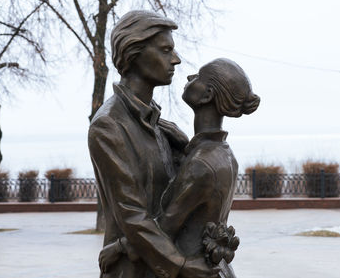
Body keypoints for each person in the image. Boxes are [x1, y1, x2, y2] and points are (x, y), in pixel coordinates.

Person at [99, 58, 260, 278]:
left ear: (207, 95)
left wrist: (117, 248)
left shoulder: (200, 164)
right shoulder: (224, 153)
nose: (189, 77)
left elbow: (164, 228)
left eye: (198, 77)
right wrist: (187, 146)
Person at [88, 10, 219, 278]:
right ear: (133, 53)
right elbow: (133, 216)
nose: (176, 59)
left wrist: (189, 148)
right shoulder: (109, 125)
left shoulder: (158, 122)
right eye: (165, 50)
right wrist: (180, 266)